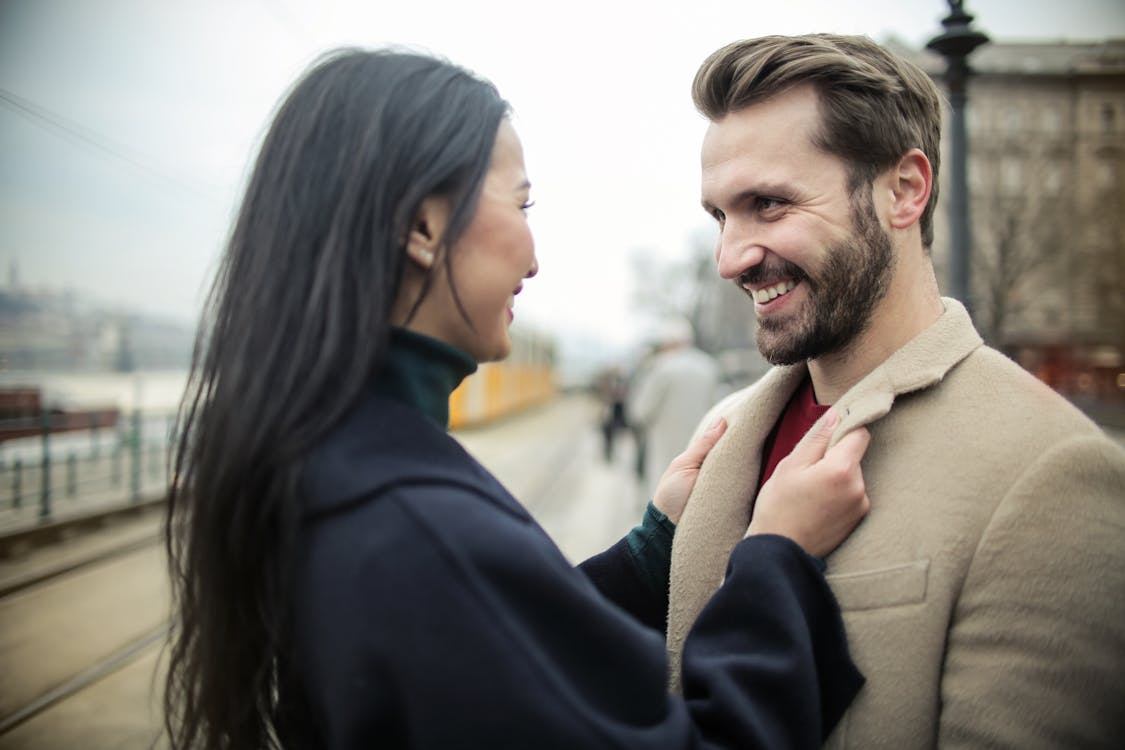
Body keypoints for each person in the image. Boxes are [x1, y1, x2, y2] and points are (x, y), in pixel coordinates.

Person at [162, 48, 875, 750]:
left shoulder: (327, 467)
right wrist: (777, 556)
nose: (534, 257)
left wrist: (652, 548)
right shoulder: (413, 523)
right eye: (520, 203)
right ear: (421, 227)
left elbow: (492, 663)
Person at [665, 33, 1125, 749]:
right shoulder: (724, 435)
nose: (730, 259)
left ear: (904, 191)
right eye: (720, 216)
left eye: (769, 204)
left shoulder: (1054, 469)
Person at [627, 316, 722, 499]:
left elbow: (640, 412)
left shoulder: (660, 368)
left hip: (666, 459)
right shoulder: (709, 366)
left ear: (668, 342)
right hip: (701, 456)